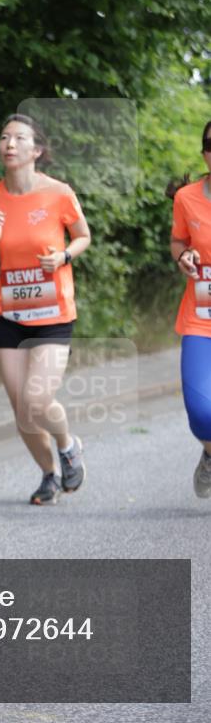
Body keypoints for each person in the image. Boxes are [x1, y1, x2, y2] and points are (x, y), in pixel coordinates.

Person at [0, 114, 92, 505]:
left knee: (37, 401)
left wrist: (62, 256)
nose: (9, 143)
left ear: (36, 150)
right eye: (4, 136)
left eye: (19, 138)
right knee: (21, 410)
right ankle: (49, 475)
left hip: (53, 315)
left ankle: (67, 444)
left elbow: (82, 236)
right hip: (8, 316)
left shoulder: (58, 193)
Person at [168, 119, 211, 498]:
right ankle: (210, 454)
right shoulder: (187, 199)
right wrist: (184, 256)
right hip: (201, 319)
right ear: (204, 153)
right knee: (201, 412)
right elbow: (179, 241)